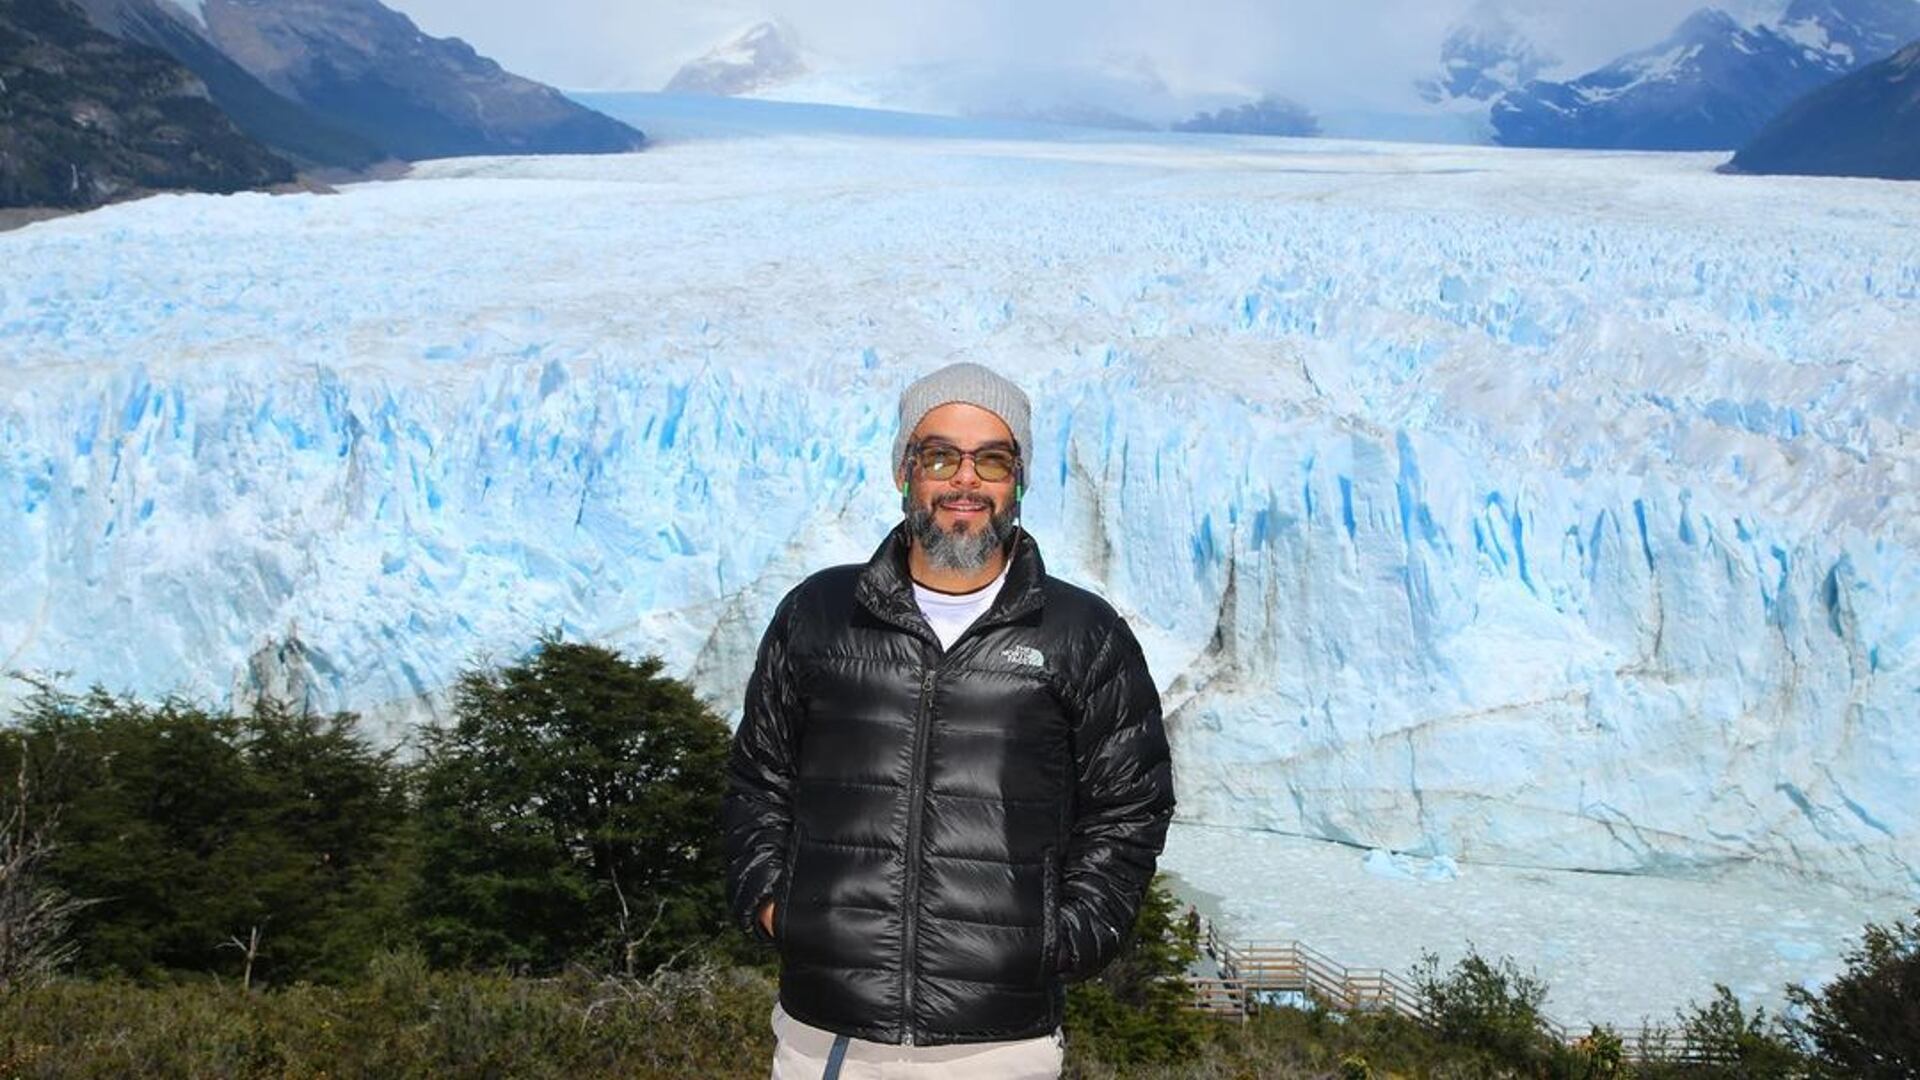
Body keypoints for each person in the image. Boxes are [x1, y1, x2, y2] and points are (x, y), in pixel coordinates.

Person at [723, 361, 1177, 1079]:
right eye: (940, 456)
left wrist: (1066, 937)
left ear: (1018, 482)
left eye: (991, 460)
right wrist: (778, 907)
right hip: (826, 1031)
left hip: (999, 1042)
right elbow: (758, 779)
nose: (965, 481)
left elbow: (1130, 803)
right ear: (905, 471)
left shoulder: (1080, 633)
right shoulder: (819, 614)